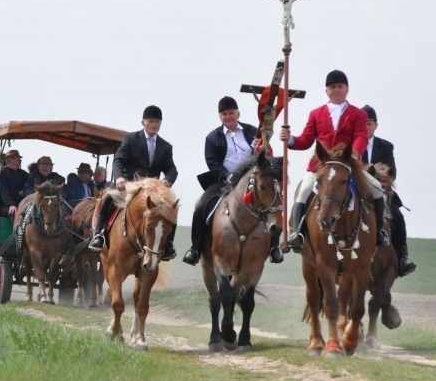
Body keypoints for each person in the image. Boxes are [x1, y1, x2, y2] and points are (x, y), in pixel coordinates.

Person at [278, 70, 390, 249]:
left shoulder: (358, 114)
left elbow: (361, 136)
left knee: (376, 189)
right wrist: (290, 139)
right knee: (303, 191)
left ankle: (379, 231)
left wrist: (354, 153)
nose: (336, 90)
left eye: (340, 86)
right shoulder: (316, 113)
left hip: (347, 163)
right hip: (320, 165)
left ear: (347, 89)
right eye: (332, 87)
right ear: (326, 91)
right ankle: (298, 233)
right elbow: (306, 140)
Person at [183, 97, 283, 265]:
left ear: (238, 114)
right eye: (224, 114)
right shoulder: (212, 137)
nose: (228, 116)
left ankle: (274, 248)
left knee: (272, 202)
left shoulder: (253, 131)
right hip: (224, 180)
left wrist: (262, 148)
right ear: (219, 117)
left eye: (231, 113)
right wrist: (227, 176)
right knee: (201, 205)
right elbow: (212, 162)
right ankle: (195, 248)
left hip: (252, 179)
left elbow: (264, 153)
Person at [88, 105, 179, 259]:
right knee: (109, 197)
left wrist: (167, 180)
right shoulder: (130, 138)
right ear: (143, 122)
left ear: (160, 124)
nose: (153, 124)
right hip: (130, 185)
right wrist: (120, 177)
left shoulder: (166, 146)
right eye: (150, 121)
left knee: (172, 207)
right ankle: (99, 235)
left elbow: (172, 169)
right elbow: (118, 160)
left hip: (152, 189)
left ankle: (168, 244)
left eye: (157, 121)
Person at [361, 105, 417, 276]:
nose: (366, 126)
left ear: (376, 125)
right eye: (362, 123)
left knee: (398, 217)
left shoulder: (385, 146)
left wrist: (384, 180)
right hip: (358, 190)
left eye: (369, 123)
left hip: (381, 189)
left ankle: (403, 258)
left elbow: (391, 169)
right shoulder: (351, 144)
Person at [0, 149, 29, 218]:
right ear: (12, 160)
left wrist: (24, 192)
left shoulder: (24, 174)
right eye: (18, 159)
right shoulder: (2, 173)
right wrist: (11, 204)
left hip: (21, 203)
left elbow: (28, 187)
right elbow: (4, 191)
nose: (20, 160)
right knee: (14, 212)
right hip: (5, 205)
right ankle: (17, 229)